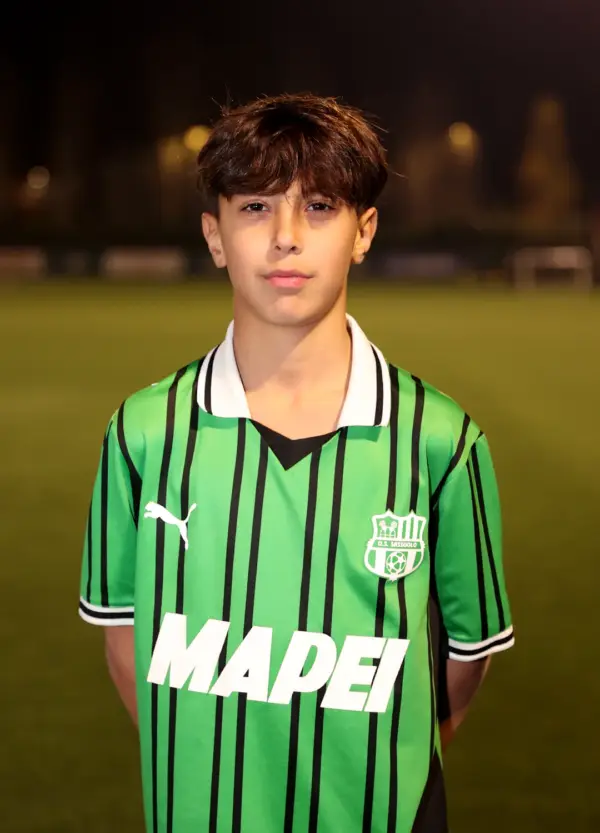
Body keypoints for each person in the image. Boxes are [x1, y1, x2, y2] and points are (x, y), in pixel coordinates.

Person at [78, 93, 514, 833]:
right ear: (215, 235)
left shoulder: (441, 440)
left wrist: (379, 761)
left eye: (318, 206)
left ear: (363, 231)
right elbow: (126, 641)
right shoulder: (144, 433)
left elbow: (464, 663)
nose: (286, 237)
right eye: (255, 207)